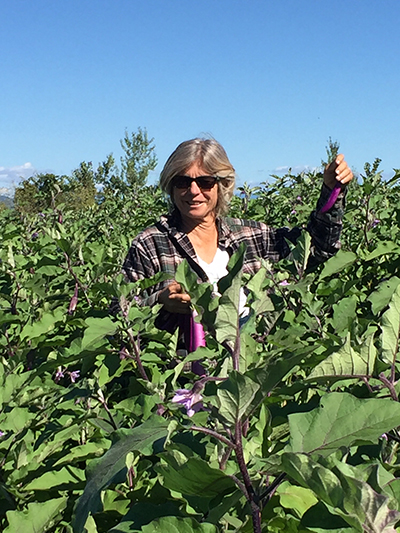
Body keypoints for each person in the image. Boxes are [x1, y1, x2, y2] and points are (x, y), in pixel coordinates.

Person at [123, 138, 353, 339]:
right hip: (184, 377)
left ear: (222, 185)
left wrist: (331, 191)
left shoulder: (251, 236)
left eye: (205, 182)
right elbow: (119, 311)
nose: (193, 191)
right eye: (182, 182)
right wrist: (158, 301)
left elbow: (317, 248)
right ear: (170, 186)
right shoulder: (150, 244)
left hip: (253, 369)